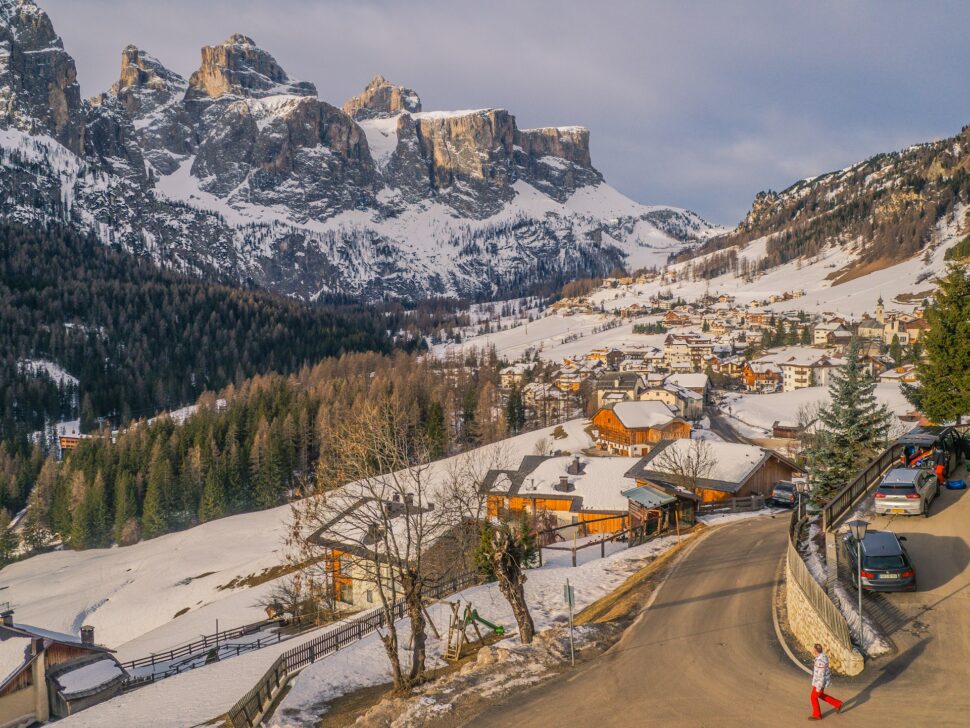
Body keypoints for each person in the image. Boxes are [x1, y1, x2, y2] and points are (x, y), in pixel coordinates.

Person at [809, 643, 843, 720]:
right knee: (820, 695)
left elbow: (821, 676)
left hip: (820, 683)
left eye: (813, 649)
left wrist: (818, 687)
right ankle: (837, 704)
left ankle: (817, 715)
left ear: (815, 651)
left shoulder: (820, 662)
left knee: (813, 697)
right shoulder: (823, 657)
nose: (811, 650)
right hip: (822, 682)